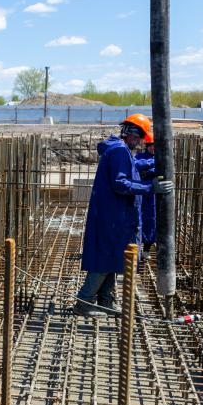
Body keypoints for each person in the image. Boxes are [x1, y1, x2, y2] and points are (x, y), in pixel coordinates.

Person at [74, 114, 173, 316]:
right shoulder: (119, 150)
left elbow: (132, 167)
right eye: (140, 137)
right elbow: (120, 183)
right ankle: (84, 302)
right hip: (113, 217)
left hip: (115, 215)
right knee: (106, 259)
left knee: (113, 258)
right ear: (132, 134)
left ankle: (106, 301)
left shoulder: (120, 149)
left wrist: (153, 165)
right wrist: (150, 187)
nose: (141, 142)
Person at [135, 132, 156, 253]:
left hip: (154, 195)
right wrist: (150, 166)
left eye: (155, 146)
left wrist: (148, 171)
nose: (153, 148)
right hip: (140, 193)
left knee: (152, 220)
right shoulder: (140, 156)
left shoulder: (161, 158)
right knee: (138, 218)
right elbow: (135, 166)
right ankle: (136, 247)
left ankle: (146, 249)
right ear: (147, 146)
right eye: (151, 145)